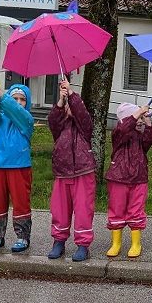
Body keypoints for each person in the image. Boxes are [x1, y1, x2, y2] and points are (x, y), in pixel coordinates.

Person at [47, 79, 96, 262]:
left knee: (83, 209)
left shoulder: (84, 127)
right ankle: (59, 241)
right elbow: (53, 120)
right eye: (68, 106)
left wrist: (72, 94)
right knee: (59, 209)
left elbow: (82, 115)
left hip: (83, 172)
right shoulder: (59, 127)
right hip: (62, 172)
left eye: (71, 105)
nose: (69, 108)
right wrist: (61, 101)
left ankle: (83, 244)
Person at [0, 81, 34, 254]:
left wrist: (2, 95)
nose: (19, 102)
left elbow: (16, 111)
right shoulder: (1, 116)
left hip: (19, 164)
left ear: (28, 103)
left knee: (21, 200)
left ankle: (22, 236)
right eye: (15, 98)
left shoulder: (26, 119)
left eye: (22, 99)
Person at [105, 103, 152, 258]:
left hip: (139, 179)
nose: (139, 120)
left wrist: (147, 119)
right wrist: (139, 112)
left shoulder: (141, 137)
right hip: (118, 178)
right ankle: (116, 243)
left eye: (141, 117)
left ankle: (136, 243)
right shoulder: (118, 134)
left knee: (136, 210)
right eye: (137, 117)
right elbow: (123, 128)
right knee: (117, 209)